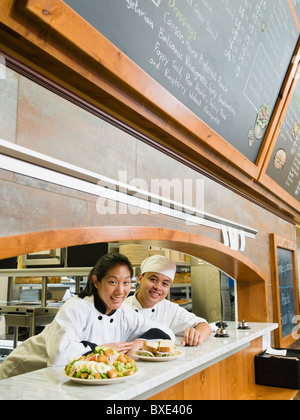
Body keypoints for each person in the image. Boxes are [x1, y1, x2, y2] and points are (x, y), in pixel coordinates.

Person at [0, 253, 174, 380]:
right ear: (96, 281)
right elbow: (59, 356)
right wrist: (103, 349)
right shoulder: (75, 307)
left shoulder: (124, 313)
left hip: (53, 380)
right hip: (21, 374)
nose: (121, 291)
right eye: (112, 282)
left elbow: (165, 333)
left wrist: (141, 342)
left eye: (126, 282)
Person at [125, 254, 211, 346]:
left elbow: (204, 326)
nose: (158, 287)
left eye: (165, 284)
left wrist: (196, 336)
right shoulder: (122, 307)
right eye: (153, 280)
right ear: (140, 279)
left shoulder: (169, 308)